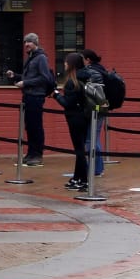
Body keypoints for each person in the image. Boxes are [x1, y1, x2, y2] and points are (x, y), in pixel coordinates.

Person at [5, 33, 55, 166]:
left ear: (35, 43)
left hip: (36, 96)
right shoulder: (31, 58)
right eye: (25, 42)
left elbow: (44, 78)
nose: (26, 44)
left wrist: (25, 83)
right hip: (29, 96)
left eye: (29, 42)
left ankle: (37, 155)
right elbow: (29, 77)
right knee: (30, 126)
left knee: (36, 126)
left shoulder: (41, 58)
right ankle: (31, 154)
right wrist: (15, 76)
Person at [53, 52, 94, 191]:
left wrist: (56, 95)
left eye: (66, 62)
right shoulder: (86, 77)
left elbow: (67, 103)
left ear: (71, 65)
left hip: (75, 118)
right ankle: (77, 178)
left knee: (79, 150)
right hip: (85, 116)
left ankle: (84, 180)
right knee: (80, 148)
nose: (64, 64)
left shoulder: (72, 82)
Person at [80, 49, 110, 176]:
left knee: (91, 139)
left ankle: (96, 169)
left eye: (81, 58)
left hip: (96, 109)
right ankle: (97, 168)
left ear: (87, 59)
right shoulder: (100, 69)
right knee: (94, 138)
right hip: (100, 108)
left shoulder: (91, 72)